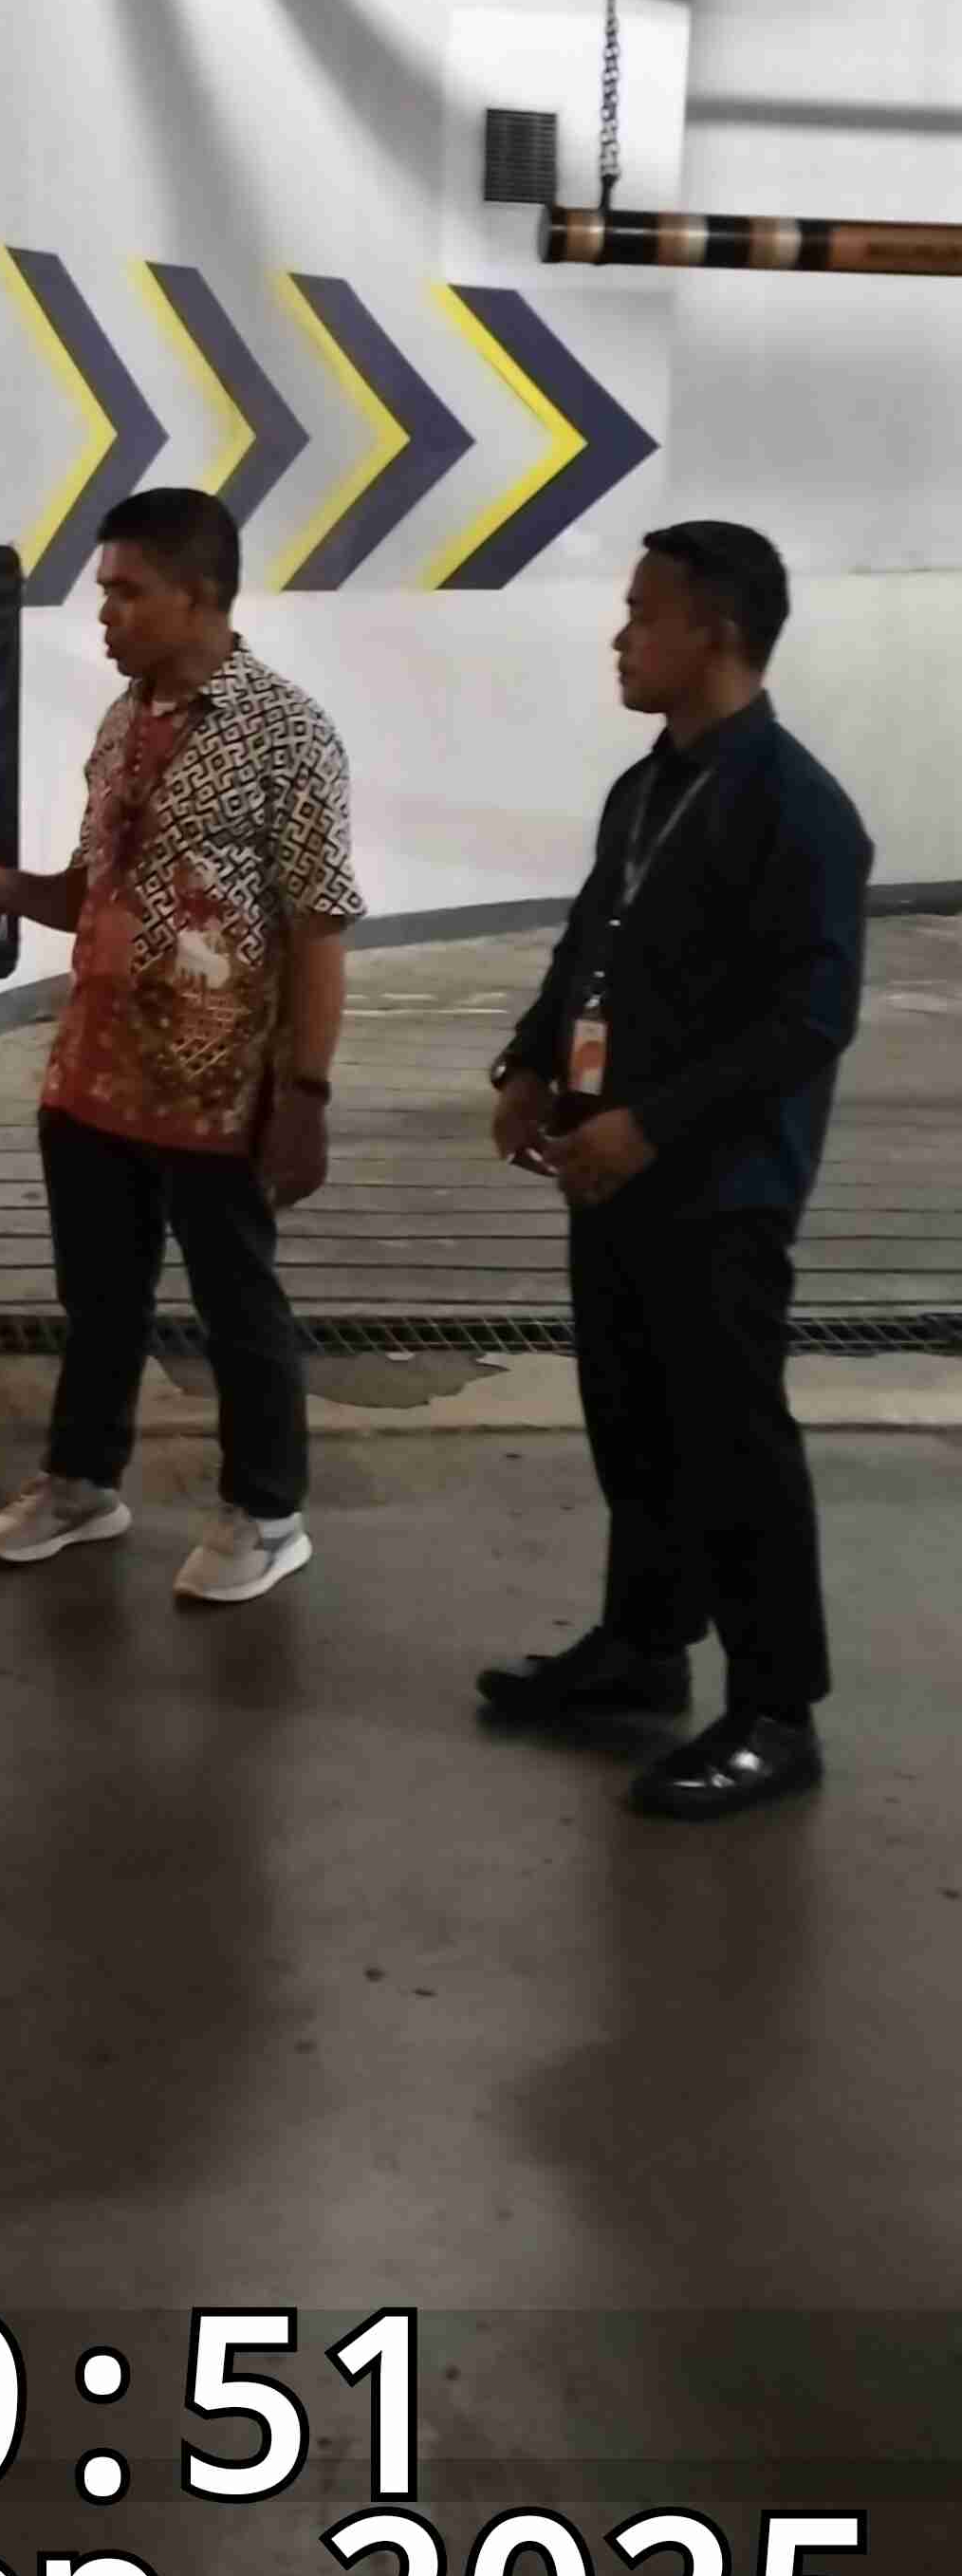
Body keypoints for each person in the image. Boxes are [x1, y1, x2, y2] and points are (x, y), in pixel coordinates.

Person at [480, 520, 872, 1818]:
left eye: (643, 613)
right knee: (633, 1419)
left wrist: (652, 1125)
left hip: (720, 1188)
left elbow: (808, 1021)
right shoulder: (645, 788)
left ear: (718, 633)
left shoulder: (801, 811)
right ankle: (645, 1646)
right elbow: (588, 943)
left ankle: (776, 1710)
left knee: (733, 1443)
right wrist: (531, 1064)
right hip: (610, 1170)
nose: (619, 635)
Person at [0, 489, 363, 1604]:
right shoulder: (122, 722)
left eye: (127, 591)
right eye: (104, 591)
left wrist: (306, 1093)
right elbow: (96, 887)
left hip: (216, 1084)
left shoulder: (289, 731)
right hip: (94, 1069)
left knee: (235, 1301)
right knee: (100, 1296)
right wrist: (7, 888)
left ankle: (266, 1511)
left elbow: (319, 926)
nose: (105, 613)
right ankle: (83, 1481)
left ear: (200, 595)